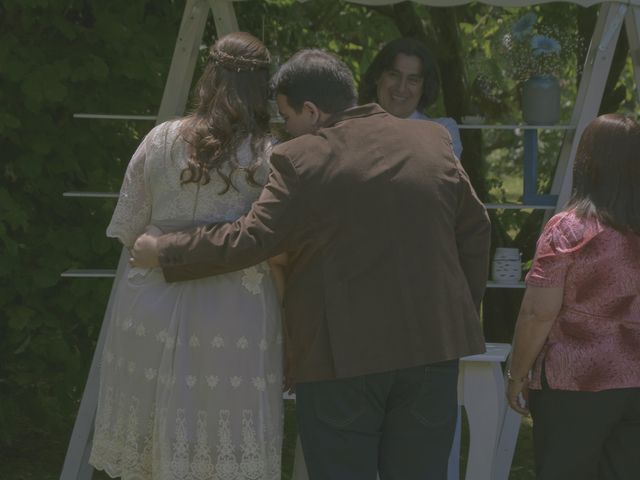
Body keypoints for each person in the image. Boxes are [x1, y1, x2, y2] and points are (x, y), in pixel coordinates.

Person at [132, 49, 491, 480]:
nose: (285, 130)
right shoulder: (434, 141)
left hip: (341, 357)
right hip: (433, 351)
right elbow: (475, 231)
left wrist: (164, 250)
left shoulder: (301, 159)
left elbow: (251, 238)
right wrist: (457, 312)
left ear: (312, 111)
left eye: (286, 118)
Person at [89, 32, 284, 480]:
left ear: (208, 76)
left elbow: (128, 230)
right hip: (234, 310)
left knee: (143, 434)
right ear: (263, 86)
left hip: (150, 299)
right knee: (220, 442)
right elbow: (275, 242)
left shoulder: (160, 139)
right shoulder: (271, 156)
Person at [506, 114, 640, 479]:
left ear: (587, 162)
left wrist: (516, 374)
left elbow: (537, 313)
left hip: (573, 382)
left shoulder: (569, 228)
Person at [359, 37, 463, 158]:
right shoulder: (353, 127)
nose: (401, 88)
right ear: (377, 76)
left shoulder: (443, 130)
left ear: (425, 86)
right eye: (394, 75)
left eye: (413, 80)